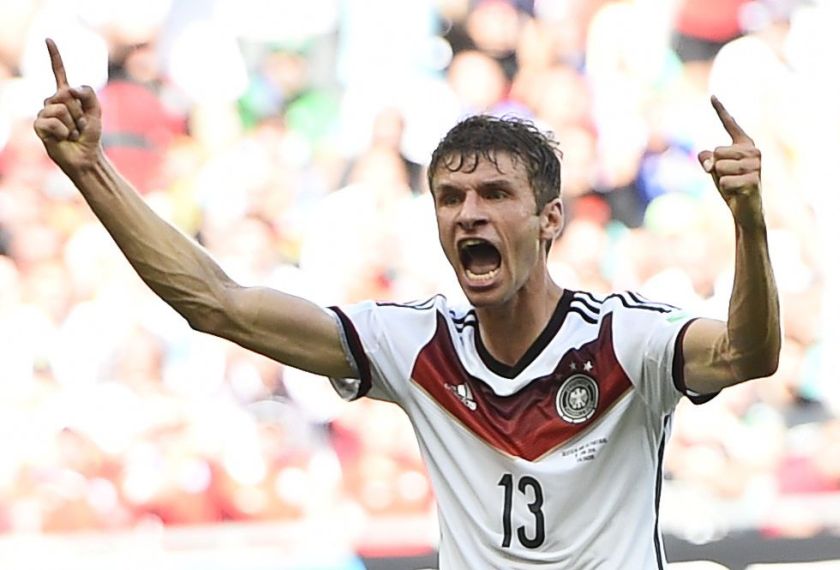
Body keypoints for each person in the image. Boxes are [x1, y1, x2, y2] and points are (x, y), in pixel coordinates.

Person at [34, 38, 780, 569]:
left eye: (495, 194)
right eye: (450, 198)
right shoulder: (415, 344)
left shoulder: (625, 339)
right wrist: (91, 169)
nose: (469, 214)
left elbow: (748, 354)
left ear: (549, 219)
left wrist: (748, 218)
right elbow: (217, 304)